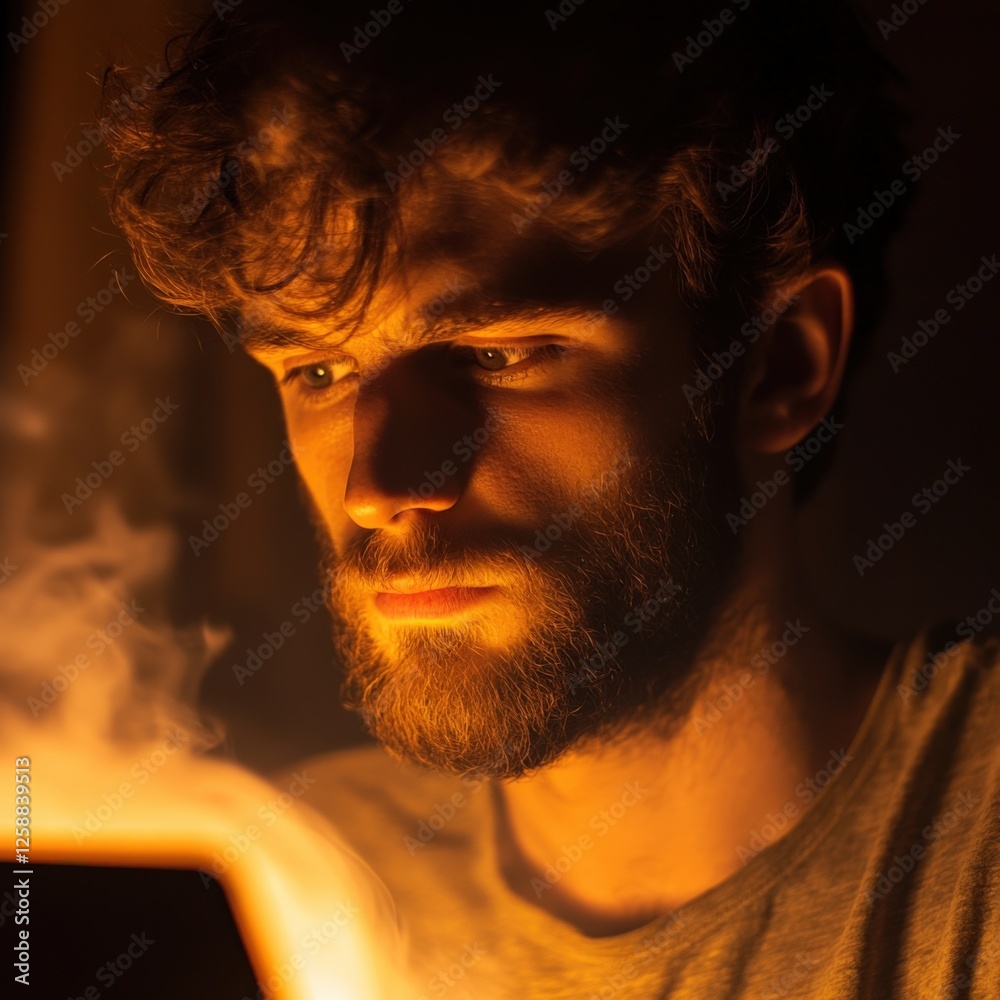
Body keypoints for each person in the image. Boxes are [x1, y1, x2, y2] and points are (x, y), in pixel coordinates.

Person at [100, 0, 999, 995]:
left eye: (498, 354)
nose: (378, 486)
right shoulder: (282, 878)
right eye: (319, 373)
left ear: (780, 363)